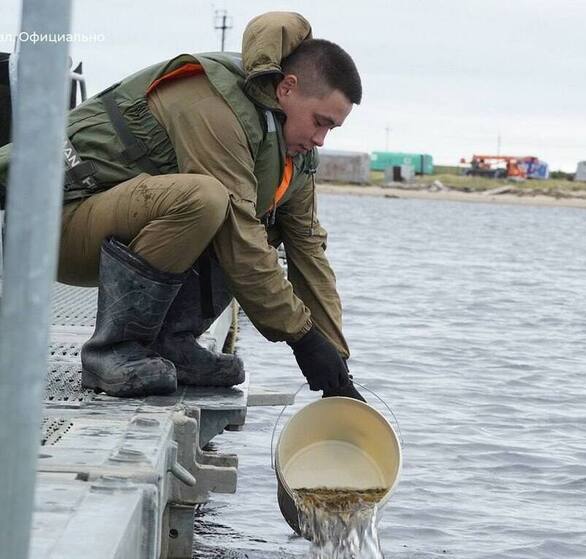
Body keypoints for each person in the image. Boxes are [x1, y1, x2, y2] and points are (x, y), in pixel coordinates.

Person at [0, 11, 365, 401]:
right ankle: (113, 351)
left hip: (112, 232)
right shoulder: (214, 102)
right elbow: (240, 238)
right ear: (288, 88)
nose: (321, 139)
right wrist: (302, 338)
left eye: (331, 128)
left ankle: (172, 343)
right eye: (320, 122)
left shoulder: (295, 153)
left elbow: (309, 250)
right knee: (206, 200)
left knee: (260, 220)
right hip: (46, 228)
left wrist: (336, 366)